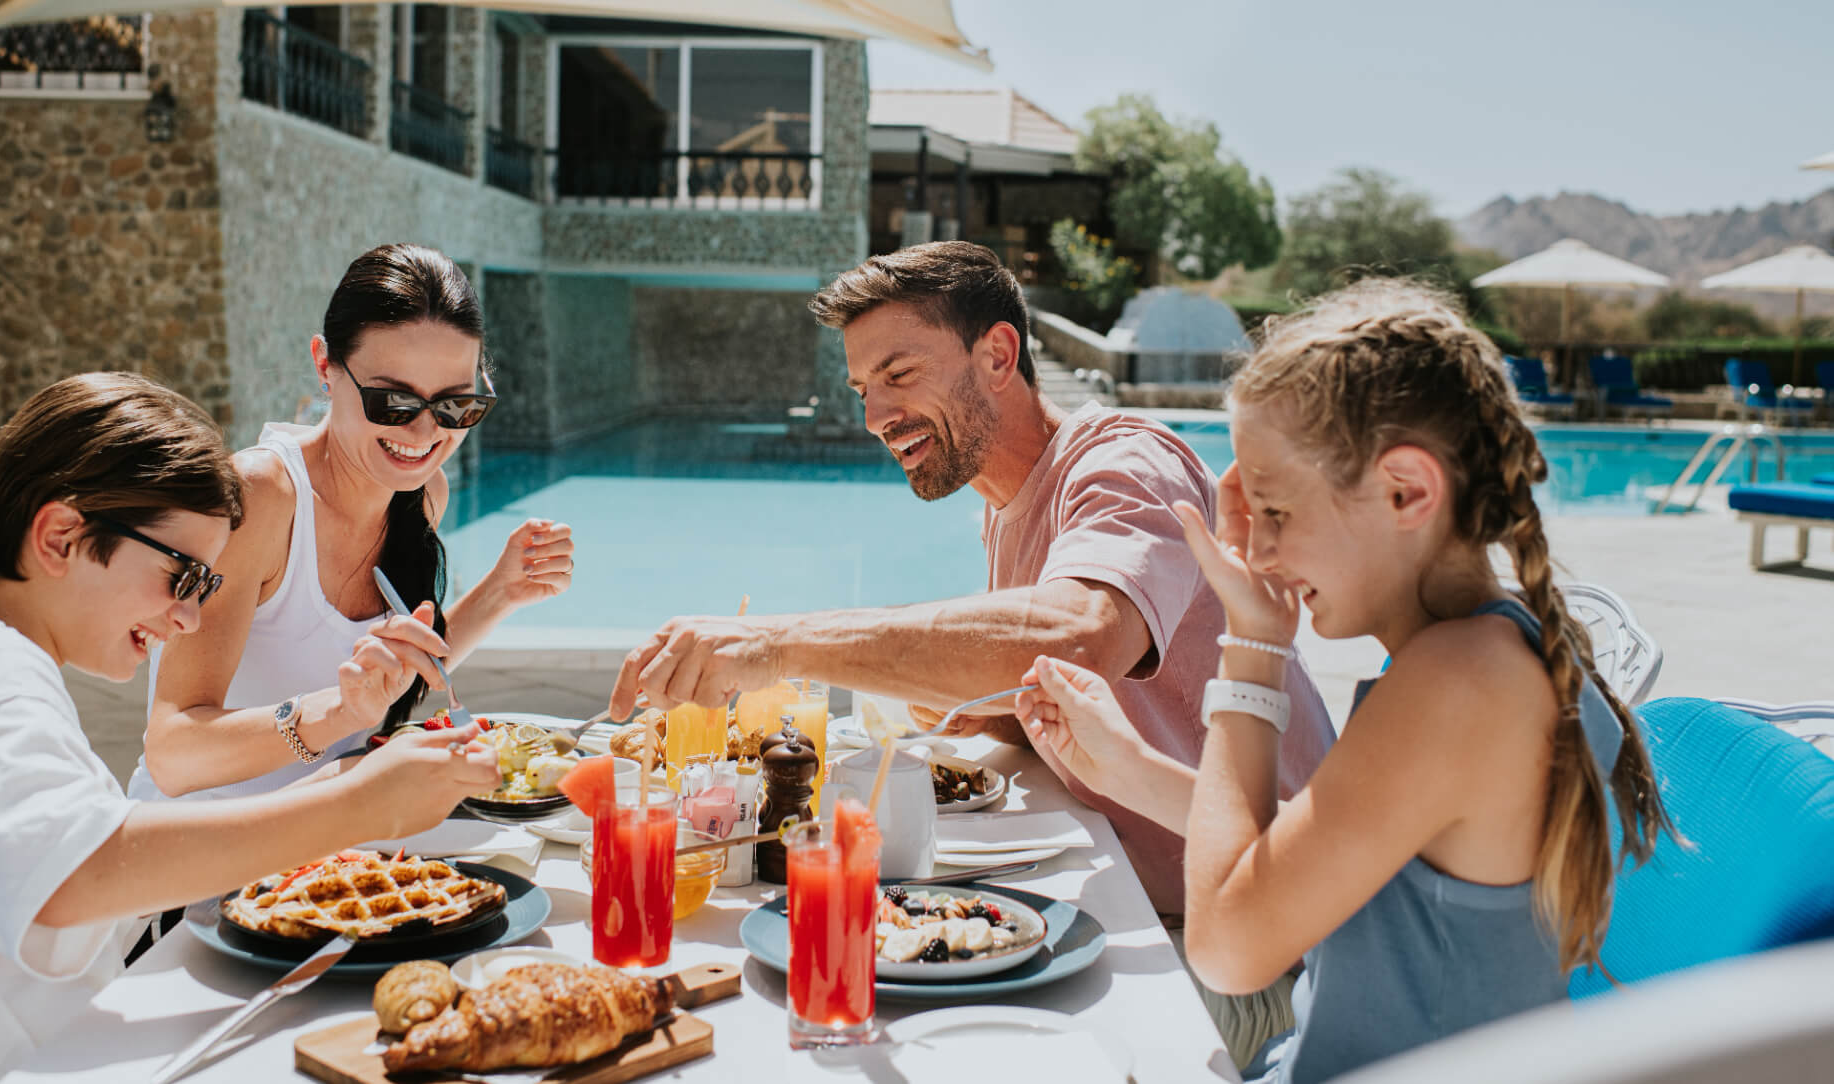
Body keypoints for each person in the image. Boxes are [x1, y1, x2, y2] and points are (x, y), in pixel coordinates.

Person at [1015, 280, 1672, 1082]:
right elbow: (1323, 850)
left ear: (1407, 492)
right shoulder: (1485, 650)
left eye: (1276, 512)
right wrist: (1129, 768)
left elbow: (1228, 950)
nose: (1257, 552)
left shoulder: (1459, 684)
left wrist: (1252, 646)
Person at [605, 241, 1334, 914]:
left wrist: (776, 645)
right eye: (862, 389)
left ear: (998, 355)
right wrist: (986, 710)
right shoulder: (1004, 507)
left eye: (899, 375)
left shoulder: (1125, 464)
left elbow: (1080, 640)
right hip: (1160, 897)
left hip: (1273, 919)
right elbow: (1070, 691)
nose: (875, 417)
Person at [0, 373, 501, 1084]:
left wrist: (336, 778)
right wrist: (359, 806)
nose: (188, 619)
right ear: (61, 538)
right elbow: (71, 873)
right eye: (183, 576)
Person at [131, 243, 575, 801]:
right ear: (325, 366)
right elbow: (172, 753)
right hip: (201, 841)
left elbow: (391, 676)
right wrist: (338, 712)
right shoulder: (262, 498)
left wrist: (500, 593)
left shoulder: (422, 493)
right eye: (393, 402)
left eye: (454, 406)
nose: (423, 434)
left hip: (333, 832)